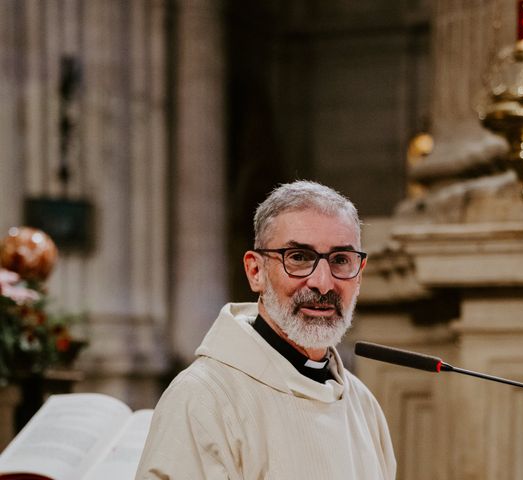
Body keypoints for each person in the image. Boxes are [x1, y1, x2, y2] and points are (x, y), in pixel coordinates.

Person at [135, 180, 396, 479]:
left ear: (359, 276)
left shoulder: (364, 406)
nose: (323, 283)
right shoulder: (203, 399)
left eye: (340, 260)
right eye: (299, 258)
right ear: (256, 271)